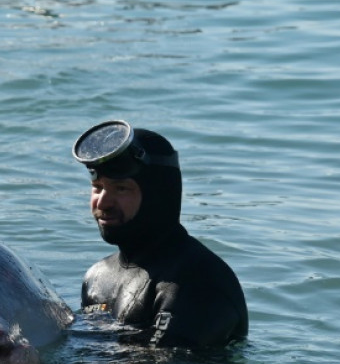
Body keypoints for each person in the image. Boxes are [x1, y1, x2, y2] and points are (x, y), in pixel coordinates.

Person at [72, 120, 248, 349]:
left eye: (121, 188)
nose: (103, 202)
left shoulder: (197, 279)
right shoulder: (96, 278)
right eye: (97, 187)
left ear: (157, 196)